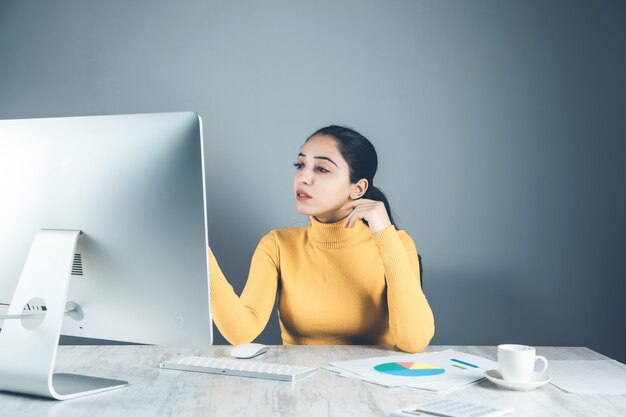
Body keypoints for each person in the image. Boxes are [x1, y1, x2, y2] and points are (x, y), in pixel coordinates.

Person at [209, 125, 434, 353]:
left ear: (358, 188)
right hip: (301, 384)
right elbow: (241, 332)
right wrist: (197, 250)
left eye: (322, 169)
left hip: (372, 384)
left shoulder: (397, 244)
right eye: (300, 165)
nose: (303, 178)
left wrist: (384, 234)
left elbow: (413, 341)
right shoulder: (277, 245)